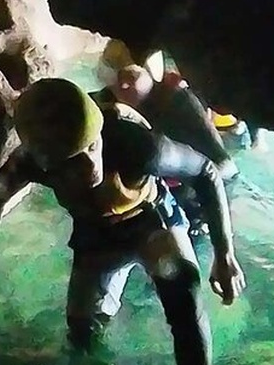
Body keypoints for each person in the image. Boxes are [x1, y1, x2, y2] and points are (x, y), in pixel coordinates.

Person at [0, 77, 246, 365]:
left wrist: (224, 253)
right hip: (96, 234)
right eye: (73, 162)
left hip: (148, 219)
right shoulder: (30, 161)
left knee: (182, 289)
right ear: (48, 165)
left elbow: (206, 171)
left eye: (92, 148)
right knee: (82, 333)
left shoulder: (136, 145)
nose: (90, 165)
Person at [91, 41, 240, 245]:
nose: (122, 87)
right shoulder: (110, 99)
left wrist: (173, 181)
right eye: (114, 80)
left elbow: (225, 168)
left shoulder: (178, 104)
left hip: (197, 198)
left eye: (129, 78)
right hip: (154, 190)